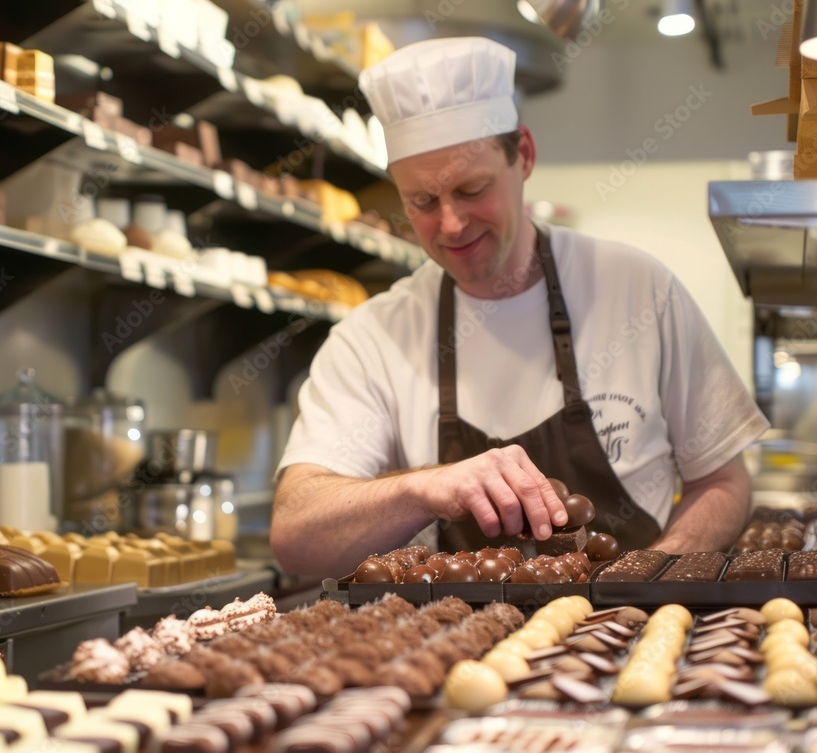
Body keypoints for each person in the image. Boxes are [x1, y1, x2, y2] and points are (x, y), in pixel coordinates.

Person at [270, 37, 769, 576]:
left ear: (524, 155)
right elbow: (296, 535)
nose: (452, 224)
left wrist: (656, 572)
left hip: (633, 634)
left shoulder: (639, 290)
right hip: (455, 648)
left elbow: (722, 480)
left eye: (471, 189)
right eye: (421, 202)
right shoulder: (373, 337)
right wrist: (421, 487)